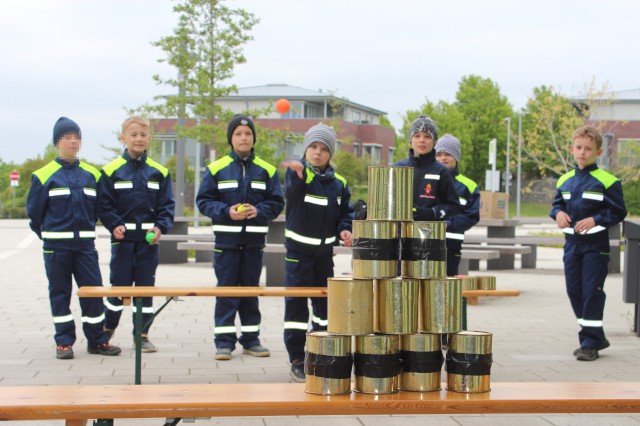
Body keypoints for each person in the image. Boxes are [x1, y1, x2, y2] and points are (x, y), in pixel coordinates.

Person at [26, 117, 121, 360]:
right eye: (66, 137)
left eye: (76, 137)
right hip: (56, 248)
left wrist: (115, 226)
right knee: (60, 293)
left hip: (85, 248)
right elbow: (35, 215)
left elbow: (102, 208)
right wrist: (49, 236)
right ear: (57, 143)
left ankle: (97, 341)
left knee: (93, 292)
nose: (72, 141)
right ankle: (64, 342)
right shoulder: (44, 175)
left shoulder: (92, 175)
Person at [197, 114, 284, 361]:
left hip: (254, 244)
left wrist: (260, 211)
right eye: (238, 134)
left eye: (247, 134)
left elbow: (277, 202)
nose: (243, 138)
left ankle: (251, 340)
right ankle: (224, 343)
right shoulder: (216, 169)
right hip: (226, 243)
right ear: (231, 138)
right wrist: (226, 212)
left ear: (253, 137)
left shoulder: (267, 170)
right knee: (226, 292)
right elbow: (203, 202)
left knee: (250, 291)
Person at [281, 123, 354, 382]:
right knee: (297, 310)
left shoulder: (340, 184)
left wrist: (345, 230)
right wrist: (298, 174)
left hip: (324, 257)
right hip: (298, 256)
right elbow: (292, 191)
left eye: (324, 148)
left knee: (324, 308)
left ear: (330, 153)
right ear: (306, 149)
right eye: (313, 146)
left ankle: (321, 353)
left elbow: (345, 214)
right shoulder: (298, 175)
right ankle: (297, 359)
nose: (317, 152)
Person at [550, 125, 627, 362]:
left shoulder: (608, 181)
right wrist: (558, 215)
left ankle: (590, 342)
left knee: (591, 292)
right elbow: (556, 205)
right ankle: (595, 337)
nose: (583, 152)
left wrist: (596, 219)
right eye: (579, 147)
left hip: (596, 246)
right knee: (574, 291)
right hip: (571, 245)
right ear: (572, 149)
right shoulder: (565, 180)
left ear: (598, 151)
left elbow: (618, 211)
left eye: (588, 148)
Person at [100, 116, 175, 353]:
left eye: (143, 135)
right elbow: (104, 205)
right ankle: (106, 331)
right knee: (119, 288)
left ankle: (141, 335)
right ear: (123, 138)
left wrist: (160, 227)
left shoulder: (159, 172)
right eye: (133, 135)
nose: (139, 139)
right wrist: (114, 224)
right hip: (122, 243)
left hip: (147, 244)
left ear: (149, 138)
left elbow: (167, 206)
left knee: (145, 289)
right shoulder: (111, 171)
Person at [393, 115, 461, 222]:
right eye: (417, 135)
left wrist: (433, 213)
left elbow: (454, 207)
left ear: (434, 141)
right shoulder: (396, 169)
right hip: (398, 235)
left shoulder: (442, 171)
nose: (422, 140)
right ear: (410, 140)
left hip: (429, 235)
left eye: (427, 136)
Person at [435, 134, 480, 276]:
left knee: (448, 286)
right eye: (439, 154)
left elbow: (472, 216)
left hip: (452, 245)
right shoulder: (428, 180)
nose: (443, 158)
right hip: (425, 243)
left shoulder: (468, 186)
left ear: (456, 157)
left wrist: (448, 224)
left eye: (448, 154)